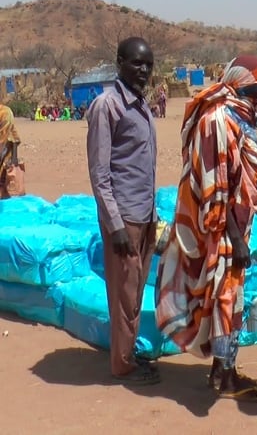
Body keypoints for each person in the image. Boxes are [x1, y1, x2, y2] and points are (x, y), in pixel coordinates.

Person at [156, 55, 257, 402]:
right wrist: (235, 237)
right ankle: (226, 378)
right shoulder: (217, 121)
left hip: (233, 226)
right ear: (243, 87)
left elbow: (240, 170)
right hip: (219, 229)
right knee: (225, 298)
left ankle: (221, 370)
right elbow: (215, 185)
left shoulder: (236, 119)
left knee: (226, 298)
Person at [86, 37, 159, 384]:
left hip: (144, 213)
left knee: (136, 289)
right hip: (124, 218)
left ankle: (127, 353)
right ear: (119, 63)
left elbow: (144, 166)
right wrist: (114, 225)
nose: (143, 70)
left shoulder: (142, 106)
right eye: (136, 64)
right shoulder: (107, 106)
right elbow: (100, 174)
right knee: (123, 293)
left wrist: (154, 214)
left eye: (148, 65)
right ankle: (122, 364)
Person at [0, 102, 22, 197]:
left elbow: (5, 138)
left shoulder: (5, 112)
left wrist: (14, 159)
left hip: (5, 151)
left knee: (6, 184)